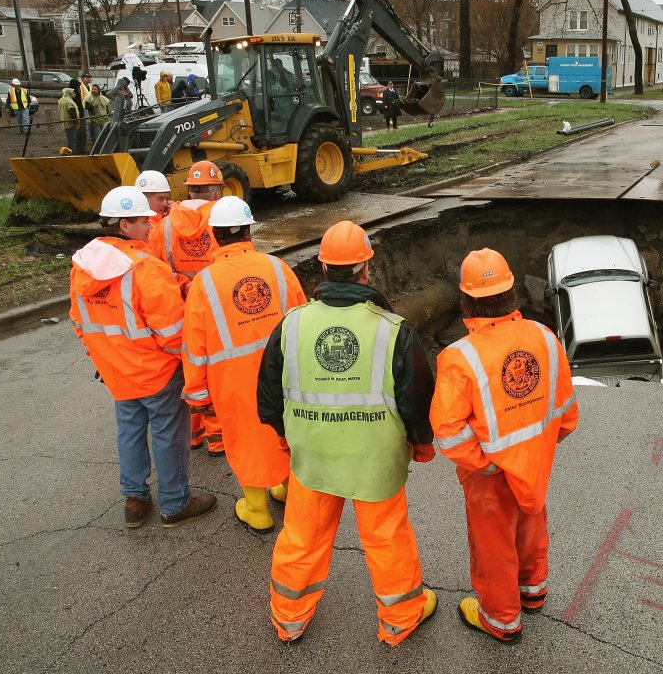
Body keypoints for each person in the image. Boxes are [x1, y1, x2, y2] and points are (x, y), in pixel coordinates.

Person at [257, 220, 437, 645]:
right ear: (366, 269)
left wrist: (285, 437)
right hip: (375, 461)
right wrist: (423, 443)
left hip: (312, 458)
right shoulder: (393, 330)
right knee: (387, 539)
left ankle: (289, 618)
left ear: (322, 268)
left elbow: (268, 394)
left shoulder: (292, 324)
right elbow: (415, 398)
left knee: (302, 538)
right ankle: (400, 619)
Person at [431, 248, 578, 643]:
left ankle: (500, 618)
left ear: (466, 301)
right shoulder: (545, 338)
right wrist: (538, 449)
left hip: (489, 475)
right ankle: (532, 591)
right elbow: (565, 411)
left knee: (494, 545)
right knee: (531, 523)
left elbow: (447, 431)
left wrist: (488, 464)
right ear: (512, 292)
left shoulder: (459, 358)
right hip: (534, 463)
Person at [69, 185, 217, 528]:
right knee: (169, 435)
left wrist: (103, 360)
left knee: (130, 431)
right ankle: (176, 503)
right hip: (157, 373)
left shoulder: (83, 264)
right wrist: (188, 364)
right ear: (124, 226)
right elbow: (172, 333)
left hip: (117, 372)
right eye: (143, 222)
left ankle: (134, 500)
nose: (151, 226)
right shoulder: (145, 268)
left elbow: (80, 321)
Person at [182, 196, 307, 533]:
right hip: (282, 374)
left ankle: (256, 508)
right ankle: (287, 489)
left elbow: (194, 346)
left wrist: (196, 394)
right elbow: (304, 318)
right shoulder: (278, 269)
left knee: (246, 439)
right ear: (249, 230)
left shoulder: (203, 283)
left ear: (214, 235)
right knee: (284, 431)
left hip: (231, 382)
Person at [148, 159, 225, 454]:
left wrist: (182, 284)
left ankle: (192, 434)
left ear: (190, 191)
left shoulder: (165, 226)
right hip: (215, 308)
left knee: (187, 370)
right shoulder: (223, 219)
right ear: (217, 190)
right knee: (214, 368)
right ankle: (217, 438)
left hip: (179, 308)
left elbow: (154, 271)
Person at [58, 88, 82, 155]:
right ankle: (72, 153)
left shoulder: (61, 100)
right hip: (70, 124)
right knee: (72, 140)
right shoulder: (69, 102)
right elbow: (72, 113)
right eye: (73, 93)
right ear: (70, 93)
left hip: (65, 122)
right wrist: (76, 122)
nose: (74, 94)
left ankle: (70, 152)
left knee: (70, 138)